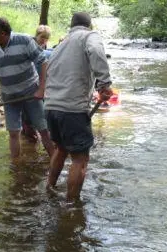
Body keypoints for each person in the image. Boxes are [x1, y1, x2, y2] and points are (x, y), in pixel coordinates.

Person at [44, 12, 113, 203]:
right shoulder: (90, 36)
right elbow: (97, 52)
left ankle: (49, 187)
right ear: (89, 25)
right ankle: (72, 205)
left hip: (51, 107)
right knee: (80, 159)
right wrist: (104, 84)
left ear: (71, 25)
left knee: (61, 149)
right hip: (72, 108)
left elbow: (47, 68)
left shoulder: (61, 44)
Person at [0, 17, 54, 160]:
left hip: (31, 93)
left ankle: (55, 163)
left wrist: (42, 89)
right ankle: (16, 167)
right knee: (13, 133)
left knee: (43, 129)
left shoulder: (24, 41)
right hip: (9, 97)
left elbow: (43, 61)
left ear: (2, 33)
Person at [22, 24, 54, 142]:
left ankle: (34, 132)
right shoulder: (30, 47)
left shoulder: (46, 52)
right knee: (26, 112)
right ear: (36, 36)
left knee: (41, 110)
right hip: (29, 84)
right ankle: (28, 130)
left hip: (41, 85)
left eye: (46, 38)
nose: (44, 40)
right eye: (42, 37)